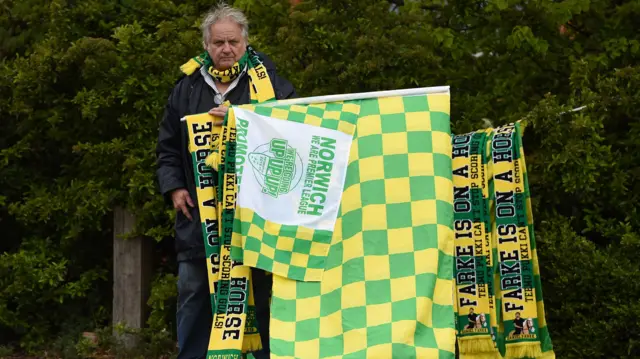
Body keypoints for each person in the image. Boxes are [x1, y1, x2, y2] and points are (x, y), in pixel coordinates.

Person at [155, 4, 296, 359]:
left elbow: (294, 129)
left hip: (255, 214)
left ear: (246, 42)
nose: (226, 49)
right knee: (194, 292)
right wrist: (174, 187)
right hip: (198, 219)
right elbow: (167, 146)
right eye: (219, 42)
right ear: (206, 44)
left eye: (233, 41)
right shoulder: (186, 86)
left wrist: (241, 119)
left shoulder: (268, 82)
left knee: (261, 294)